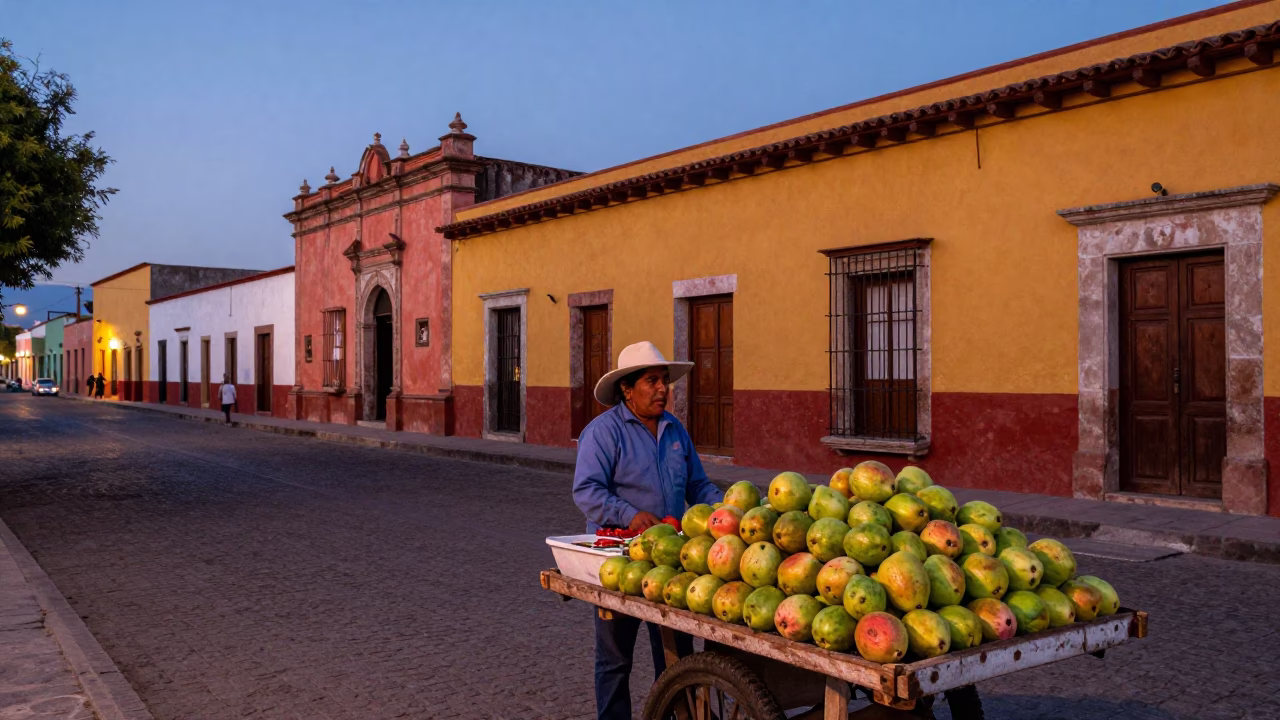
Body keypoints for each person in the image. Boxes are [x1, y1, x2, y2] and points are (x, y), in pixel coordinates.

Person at [573, 341, 722, 720]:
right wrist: (628, 513)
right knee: (615, 659)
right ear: (627, 389)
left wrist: (724, 508)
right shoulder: (603, 433)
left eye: (665, 382)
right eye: (652, 381)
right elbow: (587, 491)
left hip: (671, 560)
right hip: (620, 560)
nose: (662, 390)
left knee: (677, 660)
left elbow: (697, 486)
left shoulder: (675, 431)